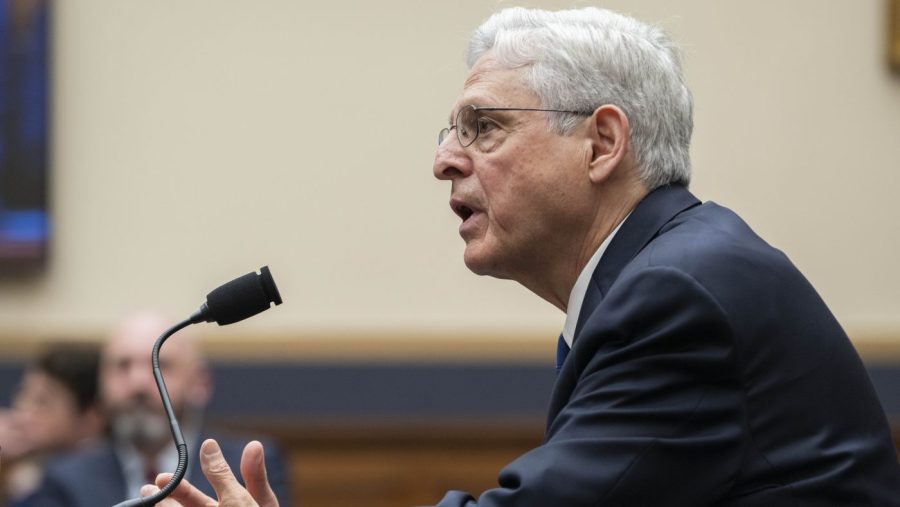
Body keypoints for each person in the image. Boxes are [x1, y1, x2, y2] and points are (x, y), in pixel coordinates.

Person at [142, 6, 900, 506]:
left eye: (483, 126)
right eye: (449, 131)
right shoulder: (660, 275)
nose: (444, 160)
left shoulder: (678, 296)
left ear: (602, 143)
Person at [27, 311, 291, 507]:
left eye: (160, 364)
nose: (138, 383)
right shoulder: (65, 478)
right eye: (122, 366)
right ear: (101, 383)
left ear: (201, 384)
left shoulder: (247, 467)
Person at [0, 344, 104, 506]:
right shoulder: (24, 476)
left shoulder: (97, 488)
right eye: (22, 393)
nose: (22, 414)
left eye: (42, 401)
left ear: (90, 418)